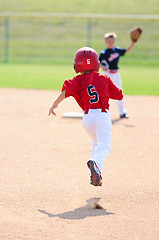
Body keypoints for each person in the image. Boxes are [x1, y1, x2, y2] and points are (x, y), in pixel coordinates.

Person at [49, 47, 123, 187]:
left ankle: (93, 174)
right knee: (104, 145)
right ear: (96, 63)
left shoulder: (77, 80)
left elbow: (66, 91)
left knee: (96, 144)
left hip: (87, 120)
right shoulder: (104, 78)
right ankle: (95, 165)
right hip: (102, 116)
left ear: (77, 64)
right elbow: (119, 95)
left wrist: (54, 104)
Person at [99, 32, 134, 119]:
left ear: (114, 42)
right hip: (107, 74)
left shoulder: (117, 50)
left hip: (116, 74)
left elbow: (126, 51)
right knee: (102, 92)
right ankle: (98, 110)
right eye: (109, 41)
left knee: (119, 92)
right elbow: (98, 62)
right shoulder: (104, 52)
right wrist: (103, 66)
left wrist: (133, 43)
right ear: (105, 42)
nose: (111, 43)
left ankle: (122, 112)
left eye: (112, 41)